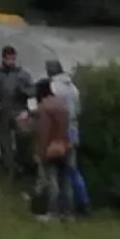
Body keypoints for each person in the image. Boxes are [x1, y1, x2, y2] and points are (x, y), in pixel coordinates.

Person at [46, 60, 90, 215]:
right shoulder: (73, 87)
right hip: (73, 133)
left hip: (58, 134)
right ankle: (81, 205)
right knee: (72, 172)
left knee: (53, 173)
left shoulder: (52, 87)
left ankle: (55, 210)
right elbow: (78, 111)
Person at [0, 46, 34, 179]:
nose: (11, 62)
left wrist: (25, 91)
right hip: (2, 112)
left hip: (20, 110)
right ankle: (9, 169)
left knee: (23, 138)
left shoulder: (23, 74)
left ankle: (23, 165)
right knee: (5, 142)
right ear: (3, 59)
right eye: (9, 59)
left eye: (13, 59)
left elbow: (33, 90)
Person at [31, 78, 72, 221]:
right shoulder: (61, 103)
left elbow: (44, 132)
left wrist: (40, 153)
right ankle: (67, 212)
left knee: (51, 181)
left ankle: (52, 212)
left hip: (50, 148)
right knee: (65, 181)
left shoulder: (44, 107)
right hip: (64, 145)